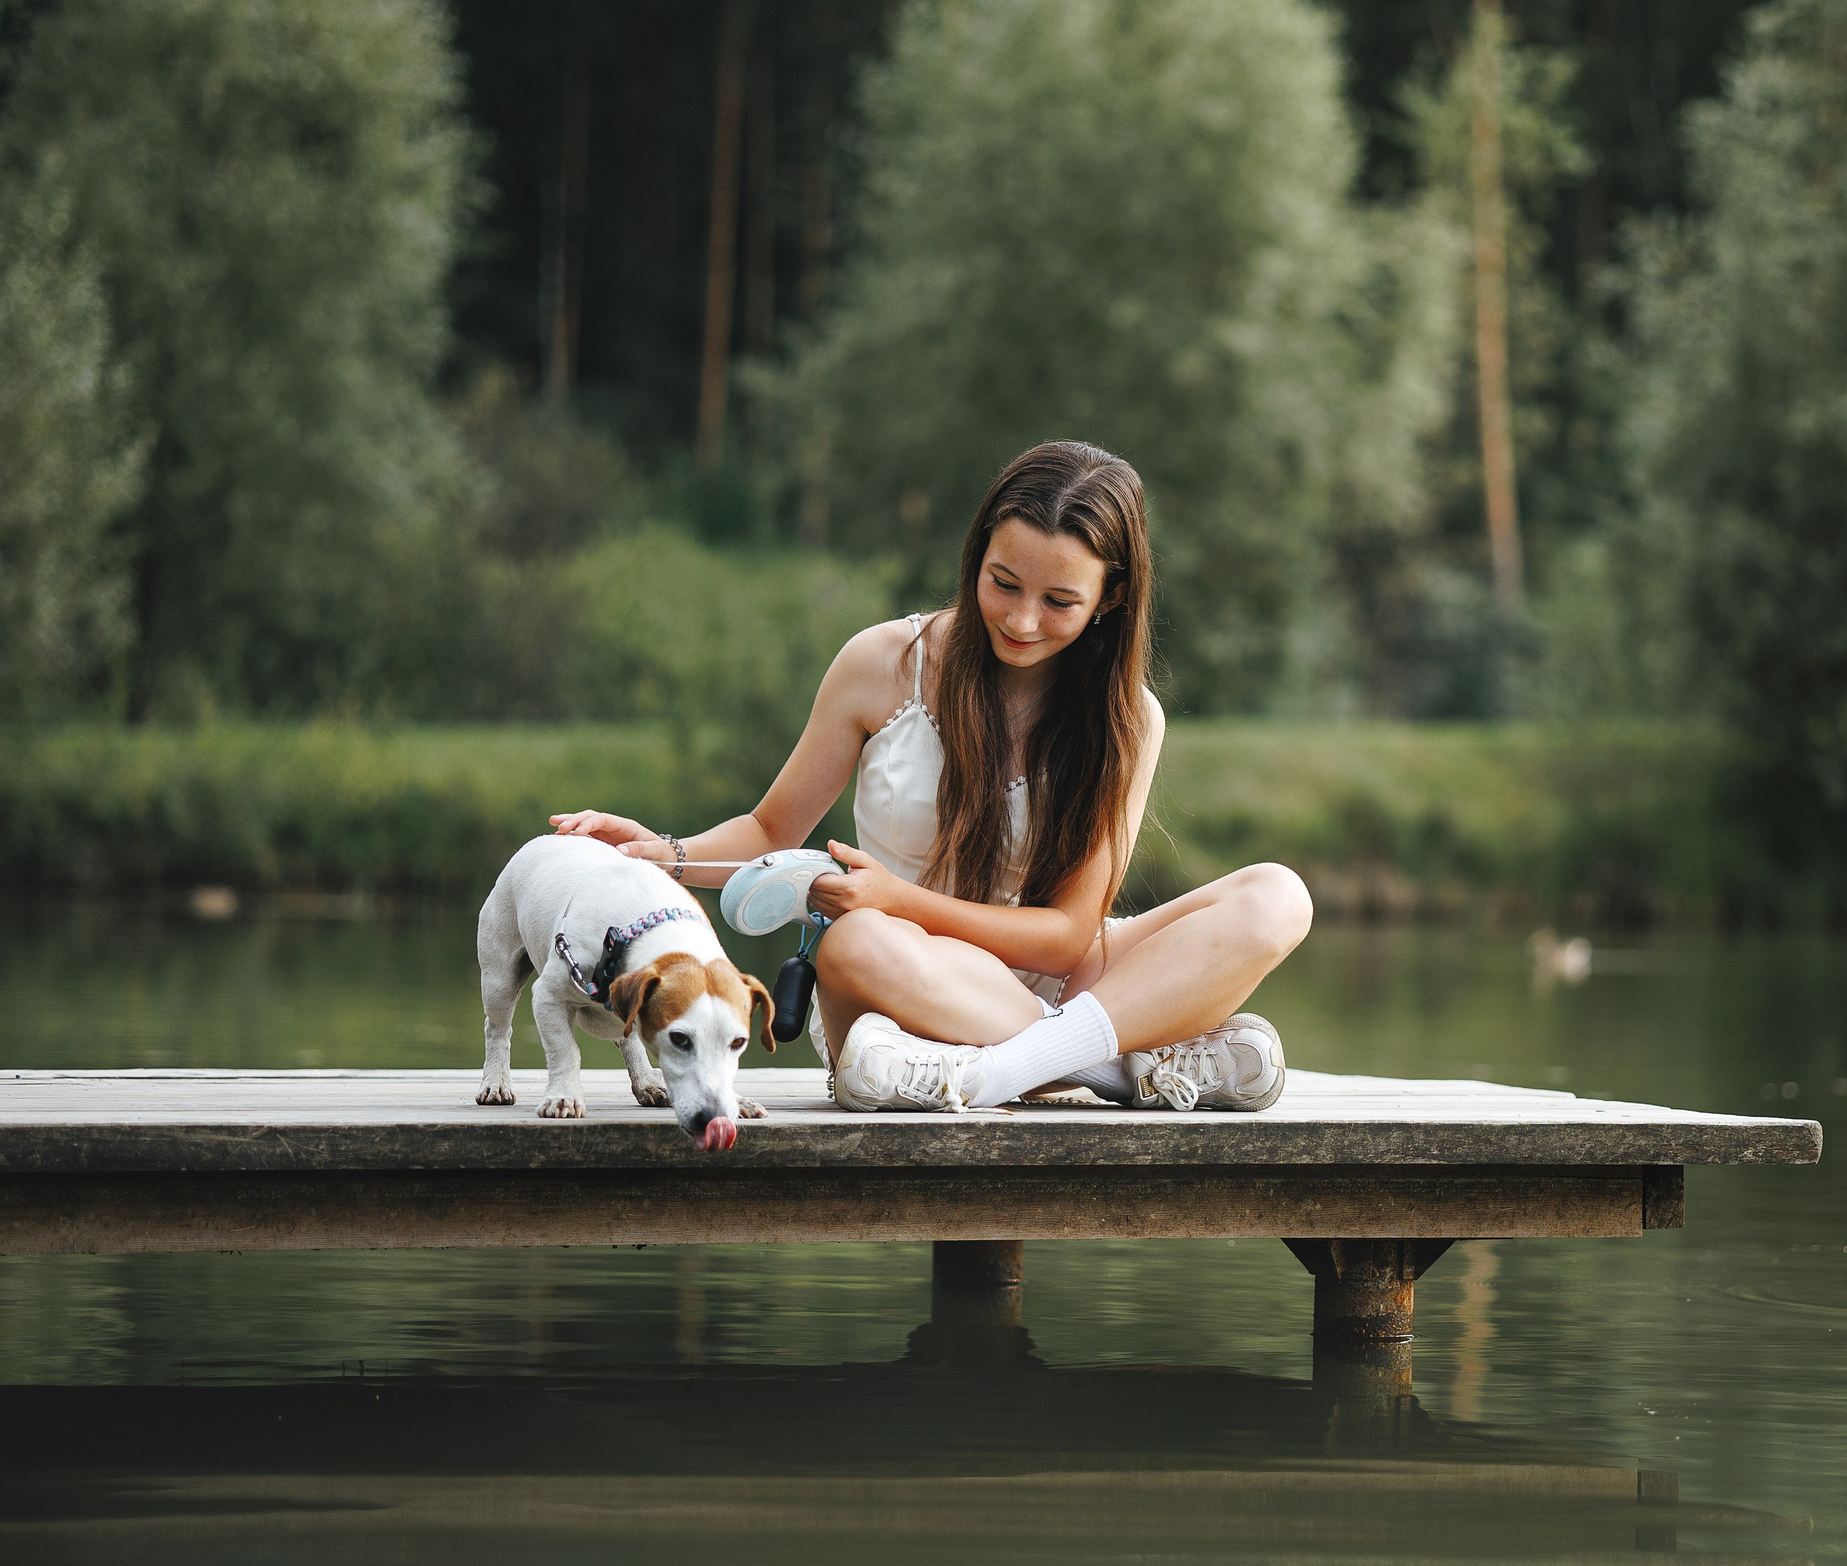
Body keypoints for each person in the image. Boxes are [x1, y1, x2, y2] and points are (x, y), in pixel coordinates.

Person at [550, 440, 1313, 1112]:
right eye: (1003, 583)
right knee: (851, 944)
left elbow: (1066, 939)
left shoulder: (1128, 719)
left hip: (1059, 983)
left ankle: (1007, 1071)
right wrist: (668, 854)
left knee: (1279, 895)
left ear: (1110, 598)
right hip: (908, 977)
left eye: (1059, 601)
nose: (1020, 620)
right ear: (977, 553)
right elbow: (772, 833)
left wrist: (896, 892)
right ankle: (1116, 1066)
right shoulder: (883, 665)